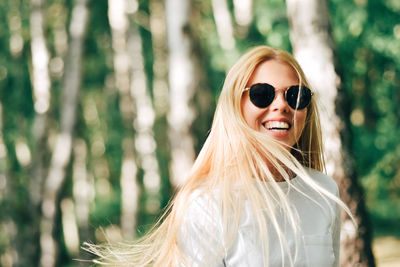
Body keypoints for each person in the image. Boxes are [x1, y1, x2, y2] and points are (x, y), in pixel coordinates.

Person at [86, 46, 353, 266]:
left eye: (295, 95)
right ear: (236, 106)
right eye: (262, 95)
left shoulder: (323, 191)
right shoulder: (208, 204)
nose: (281, 105)